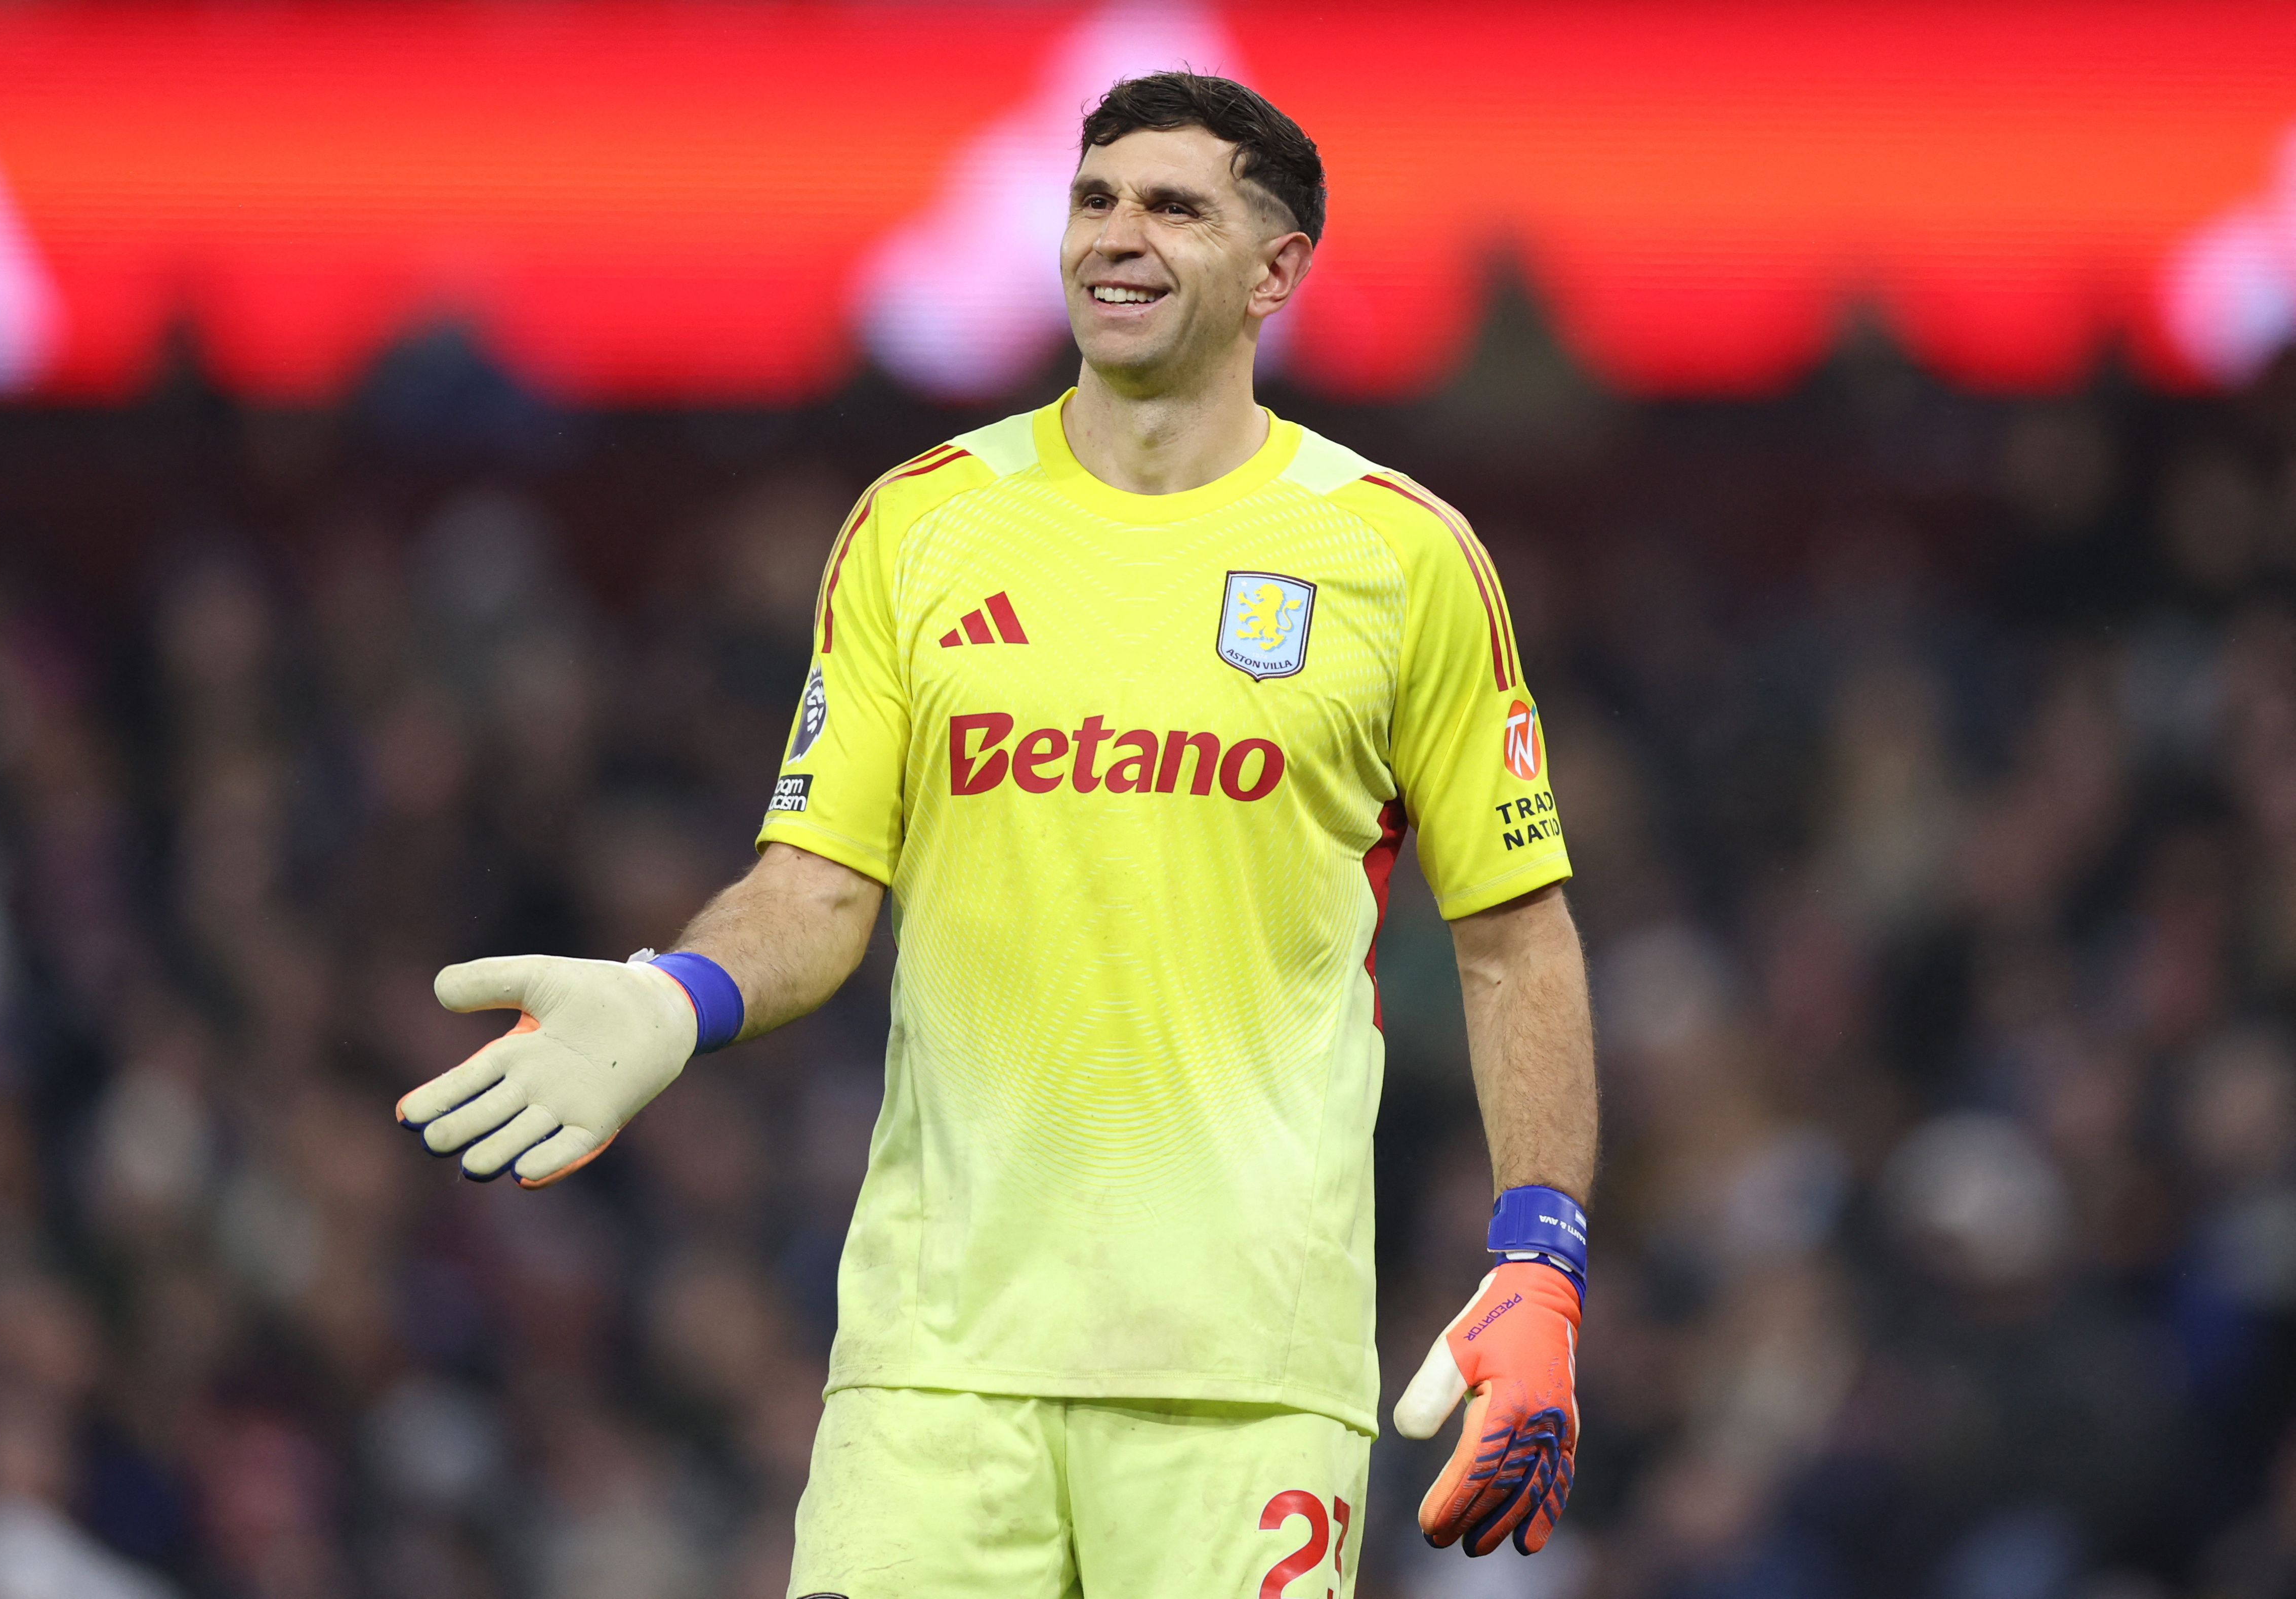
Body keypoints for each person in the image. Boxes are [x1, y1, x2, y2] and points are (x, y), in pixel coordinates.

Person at [395, 71, 1597, 1598]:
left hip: (1241, 1376)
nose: (1118, 235)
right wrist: (671, 994)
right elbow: (819, 890)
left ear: (1276, 269)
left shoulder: (1398, 556)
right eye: (1093, 198)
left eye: (1175, 206)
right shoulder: (923, 523)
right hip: (932, 1368)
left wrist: (1539, 1263)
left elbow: (1511, 939)